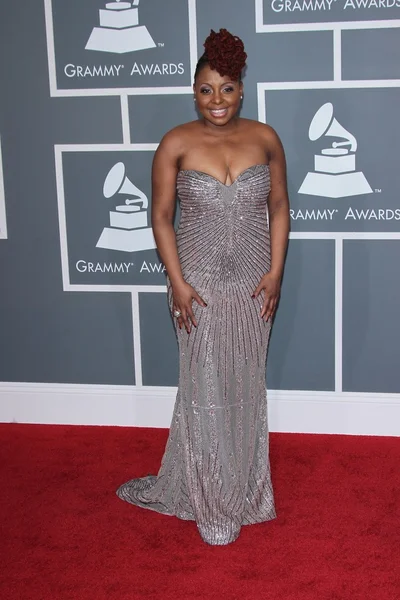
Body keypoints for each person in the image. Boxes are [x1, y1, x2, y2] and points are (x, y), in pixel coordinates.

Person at [117, 28, 290, 545]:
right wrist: (177, 282)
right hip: (198, 281)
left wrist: (276, 272)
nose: (217, 100)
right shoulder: (175, 142)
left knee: (245, 383)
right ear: (193, 91)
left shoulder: (265, 137)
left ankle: (243, 490)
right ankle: (209, 498)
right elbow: (161, 216)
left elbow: (278, 208)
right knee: (205, 386)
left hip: (255, 278)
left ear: (242, 89)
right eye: (206, 89)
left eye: (228, 88)